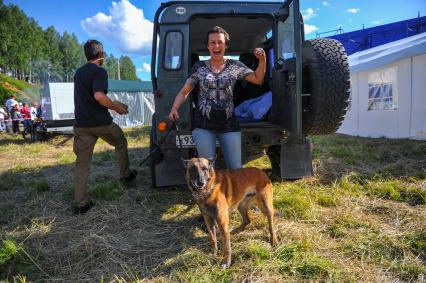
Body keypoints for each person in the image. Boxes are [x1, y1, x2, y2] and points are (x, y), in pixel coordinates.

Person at [168, 26, 266, 169]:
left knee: (236, 167)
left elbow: (258, 79)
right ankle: (211, 191)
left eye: (220, 42)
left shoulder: (235, 66)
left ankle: (234, 191)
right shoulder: (199, 67)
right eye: (212, 42)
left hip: (229, 124)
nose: (216, 46)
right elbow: (184, 92)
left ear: (226, 45)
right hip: (203, 125)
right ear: (208, 46)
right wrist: (174, 107)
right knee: (207, 168)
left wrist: (262, 60)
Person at [72, 39, 137, 215]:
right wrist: (117, 107)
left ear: (87, 54)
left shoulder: (78, 73)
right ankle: (125, 175)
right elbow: (99, 96)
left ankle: (80, 204)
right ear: (101, 54)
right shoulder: (99, 71)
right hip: (101, 123)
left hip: (81, 125)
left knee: (82, 164)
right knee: (121, 141)